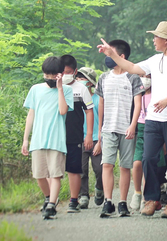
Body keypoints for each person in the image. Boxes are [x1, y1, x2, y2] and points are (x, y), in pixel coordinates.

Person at [97, 21, 167, 219]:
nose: (153, 40)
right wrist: (112, 55)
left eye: (156, 37)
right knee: (148, 158)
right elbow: (132, 67)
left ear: (166, 40)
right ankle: (151, 199)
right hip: (153, 118)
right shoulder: (155, 59)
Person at [21, 56, 74, 219]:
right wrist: (25, 139)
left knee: (55, 174)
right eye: (47, 75)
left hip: (56, 140)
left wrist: (59, 88)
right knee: (39, 175)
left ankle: (51, 205)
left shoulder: (66, 90)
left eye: (53, 75)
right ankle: (48, 197)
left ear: (60, 74)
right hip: (38, 139)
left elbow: (63, 111)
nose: (50, 78)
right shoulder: (35, 89)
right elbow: (31, 114)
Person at [96, 40, 144, 217]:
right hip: (108, 128)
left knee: (125, 166)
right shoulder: (103, 78)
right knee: (107, 165)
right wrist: (100, 130)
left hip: (127, 129)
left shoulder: (133, 77)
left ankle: (122, 202)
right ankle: (108, 202)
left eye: (111, 53)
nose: (107, 56)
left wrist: (133, 125)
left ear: (121, 56)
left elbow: (138, 103)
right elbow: (101, 103)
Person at [59, 54, 95, 213]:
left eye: (67, 72)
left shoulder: (81, 89)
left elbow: (89, 112)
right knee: (54, 170)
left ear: (74, 71)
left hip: (75, 135)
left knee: (74, 169)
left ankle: (74, 200)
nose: (64, 75)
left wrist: (88, 135)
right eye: (62, 72)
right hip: (57, 135)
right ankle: (51, 200)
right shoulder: (55, 87)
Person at [130, 74, 167, 211]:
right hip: (140, 127)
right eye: (141, 76)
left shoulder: (158, 94)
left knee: (149, 162)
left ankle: (147, 198)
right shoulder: (136, 93)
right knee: (138, 161)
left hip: (154, 126)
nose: (144, 79)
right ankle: (137, 192)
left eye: (147, 76)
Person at [77, 67, 103, 209]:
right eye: (78, 78)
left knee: (99, 169)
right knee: (81, 170)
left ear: (90, 83)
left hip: (96, 140)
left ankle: (100, 188)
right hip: (79, 139)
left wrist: (100, 141)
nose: (79, 81)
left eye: (83, 79)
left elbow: (103, 121)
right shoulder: (75, 99)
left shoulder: (98, 99)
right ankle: (83, 195)